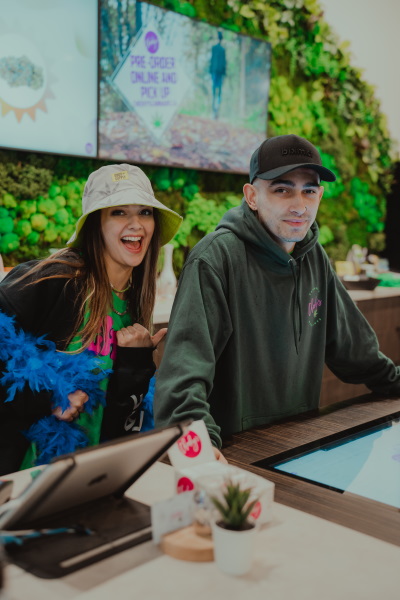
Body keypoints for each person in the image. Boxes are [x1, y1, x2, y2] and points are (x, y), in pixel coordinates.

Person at [154, 134, 400, 462]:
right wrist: (201, 448)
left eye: (309, 191)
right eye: (282, 189)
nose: (299, 205)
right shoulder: (215, 259)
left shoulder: (315, 258)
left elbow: (356, 352)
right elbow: (183, 379)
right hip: (233, 454)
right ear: (252, 196)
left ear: (320, 195)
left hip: (299, 449)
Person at [0, 163, 182, 475]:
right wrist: (49, 396)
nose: (136, 224)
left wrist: (136, 363)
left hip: (95, 470)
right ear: (96, 223)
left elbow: (123, 409)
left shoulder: (135, 296)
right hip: (29, 471)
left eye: (145, 212)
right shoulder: (56, 278)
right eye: (119, 212)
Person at [210, 31, 226, 119]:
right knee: (216, 92)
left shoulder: (220, 49)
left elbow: (223, 63)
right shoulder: (216, 48)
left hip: (217, 73)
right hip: (216, 73)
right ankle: (214, 110)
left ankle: (216, 110)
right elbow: (212, 60)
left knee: (217, 92)